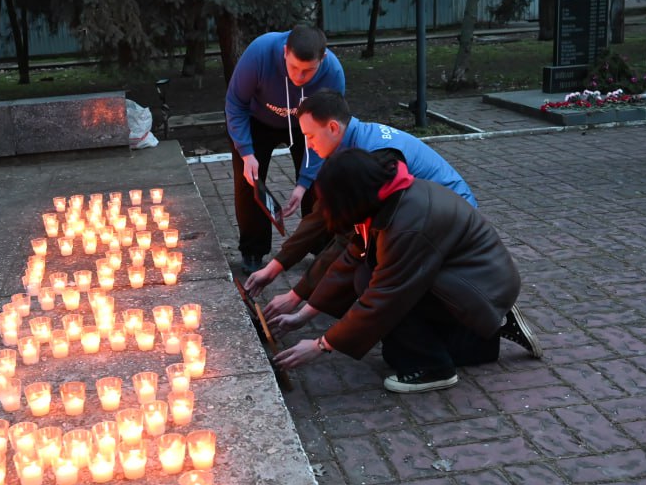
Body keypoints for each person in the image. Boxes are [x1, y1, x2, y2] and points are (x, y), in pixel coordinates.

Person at [244, 91, 542, 359]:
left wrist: (322, 342)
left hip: (448, 241)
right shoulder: (359, 165)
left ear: (333, 127)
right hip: (433, 227)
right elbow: (350, 248)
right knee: (370, 278)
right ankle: (468, 325)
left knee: (384, 287)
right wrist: (300, 307)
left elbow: (383, 290)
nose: (308, 145)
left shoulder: (381, 172)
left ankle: (453, 353)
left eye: (310, 136)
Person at [270, 148, 522, 393]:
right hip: (467, 282)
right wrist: (303, 315)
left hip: (482, 289)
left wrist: (321, 345)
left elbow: (385, 295)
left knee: (376, 290)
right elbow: (352, 258)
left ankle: (436, 369)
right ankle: (483, 337)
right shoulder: (383, 199)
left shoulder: (407, 224)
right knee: (394, 350)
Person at [225, 25, 345, 273]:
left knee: (320, 181)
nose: (299, 77)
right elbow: (235, 103)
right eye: (294, 67)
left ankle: (321, 245)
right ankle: (253, 249)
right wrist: (246, 153)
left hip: (308, 125)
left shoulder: (333, 72)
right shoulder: (259, 54)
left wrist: (304, 183)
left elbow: (328, 131)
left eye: (308, 70)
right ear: (284, 52)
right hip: (257, 121)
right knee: (249, 182)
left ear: (322, 59)